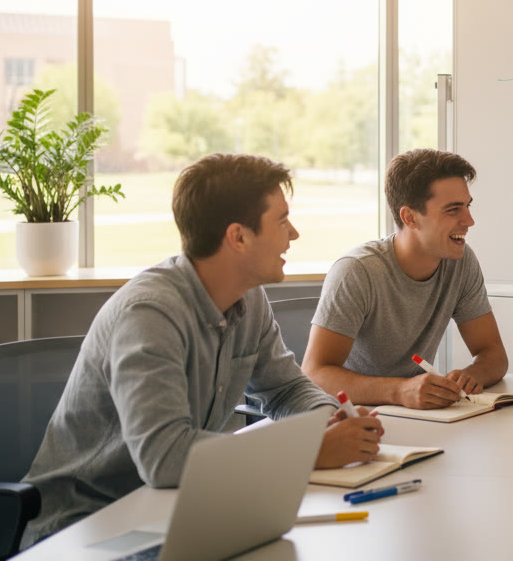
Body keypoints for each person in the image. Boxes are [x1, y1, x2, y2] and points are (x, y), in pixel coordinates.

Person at [22, 154, 383, 546]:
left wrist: (329, 421)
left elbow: (286, 389)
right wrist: (307, 451)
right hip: (88, 525)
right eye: (281, 220)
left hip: (177, 506)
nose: (293, 234)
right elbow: (164, 456)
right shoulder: (150, 314)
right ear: (238, 237)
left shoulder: (249, 299)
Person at [303, 149, 508, 409]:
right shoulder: (357, 271)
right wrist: (399, 390)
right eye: (453, 210)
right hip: (349, 415)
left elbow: (493, 353)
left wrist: (472, 376)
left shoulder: (461, 261)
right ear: (409, 217)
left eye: (467, 206)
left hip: (414, 413)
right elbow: (315, 374)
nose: (469, 220)